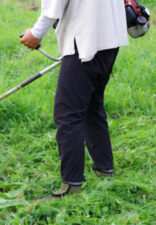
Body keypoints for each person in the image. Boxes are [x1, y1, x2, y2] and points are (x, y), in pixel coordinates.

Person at [20, 0, 129, 199]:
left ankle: (71, 186)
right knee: (91, 107)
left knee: (67, 115)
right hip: (109, 37)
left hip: (84, 41)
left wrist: (35, 34)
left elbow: (54, 6)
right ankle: (104, 170)